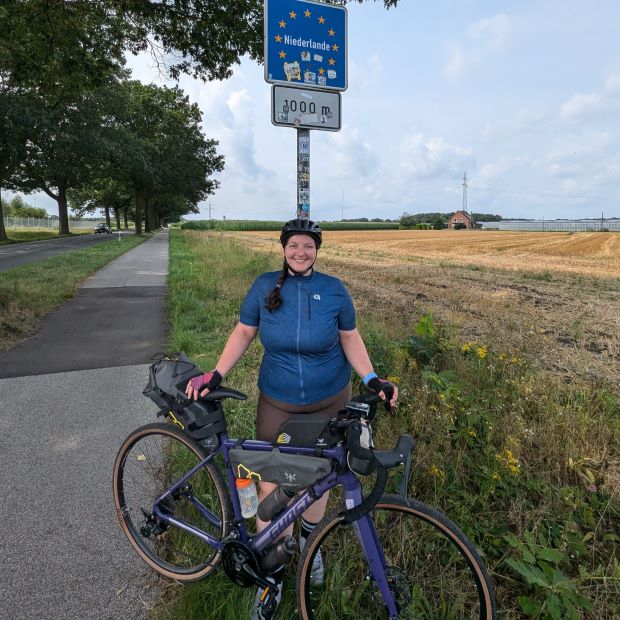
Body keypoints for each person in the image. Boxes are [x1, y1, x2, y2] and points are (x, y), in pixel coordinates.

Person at [185, 218, 398, 619]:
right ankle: (274, 572)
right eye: (294, 245)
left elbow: (350, 338)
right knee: (272, 483)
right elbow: (244, 333)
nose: (301, 252)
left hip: (330, 400)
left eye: (308, 246)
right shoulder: (265, 286)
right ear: (283, 248)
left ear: (318, 250)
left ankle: (309, 546)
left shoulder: (334, 290)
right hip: (278, 401)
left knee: (319, 478)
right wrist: (216, 374)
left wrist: (372, 378)